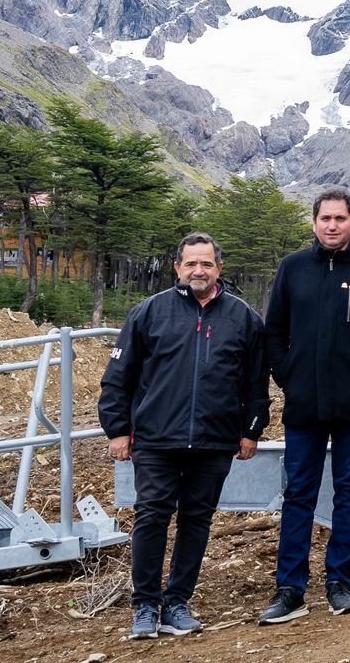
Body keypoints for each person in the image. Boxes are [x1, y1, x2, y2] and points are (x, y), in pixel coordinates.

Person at [99, 233, 269, 640]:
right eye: (191, 263)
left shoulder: (243, 318)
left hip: (215, 440)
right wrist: (118, 429)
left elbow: (256, 383)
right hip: (157, 438)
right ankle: (144, 606)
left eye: (206, 264)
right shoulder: (149, 313)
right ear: (178, 268)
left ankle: (177, 602)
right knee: (152, 516)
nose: (199, 270)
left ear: (219, 269)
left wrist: (250, 431)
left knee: (197, 519)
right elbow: (117, 379)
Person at [258, 190, 350, 624]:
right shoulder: (292, 268)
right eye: (325, 218)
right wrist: (288, 375)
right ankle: (290, 589)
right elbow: (273, 332)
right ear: (314, 222)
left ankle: (340, 582)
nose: (332, 225)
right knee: (298, 493)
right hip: (303, 406)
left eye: (340, 218)